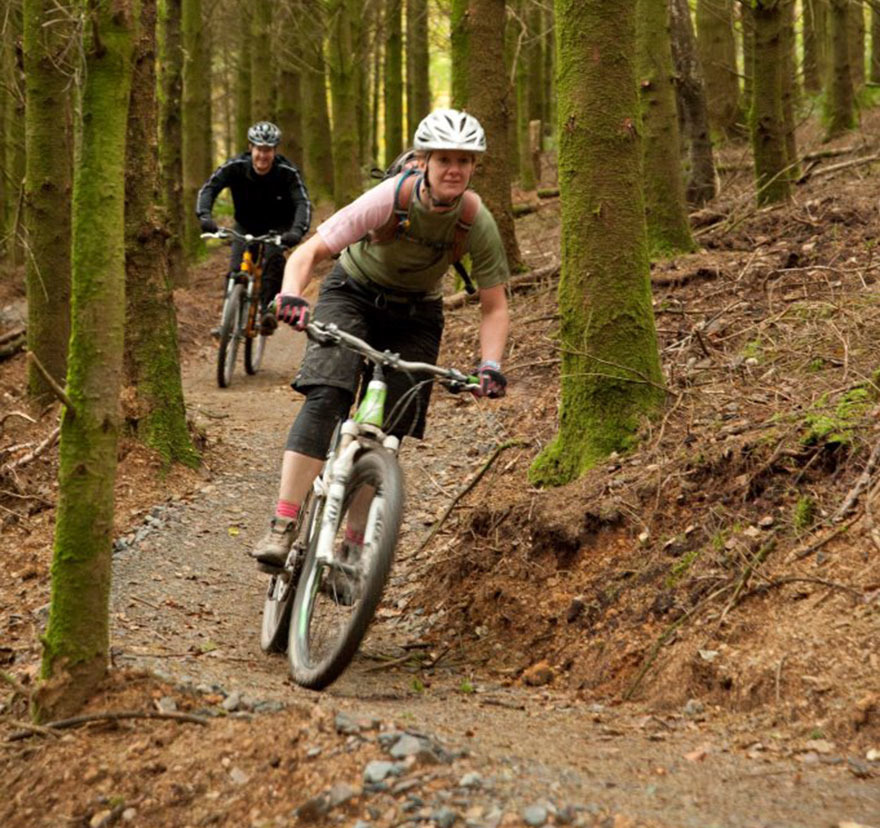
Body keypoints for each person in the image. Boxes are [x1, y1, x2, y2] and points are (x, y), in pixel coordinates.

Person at [252, 108, 510, 570]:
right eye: (445, 159)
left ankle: (352, 542)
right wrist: (290, 295)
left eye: (465, 162)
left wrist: (489, 365)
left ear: (474, 168)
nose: (455, 169)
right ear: (425, 161)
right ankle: (283, 521)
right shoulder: (389, 197)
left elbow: (495, 306)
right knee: (328, 393)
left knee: (389, 431)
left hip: (417, 313)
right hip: (352, 293)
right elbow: (311, 251)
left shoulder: (476, 220)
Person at [196, 121, 312, 334]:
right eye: (259, 149)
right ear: (251, 148)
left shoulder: (287, 172)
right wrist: (205, 217)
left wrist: (296, 231)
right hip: (245, 223)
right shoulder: (235, 166)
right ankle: (227, 320)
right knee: (235, 269)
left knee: (274, 259)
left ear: (274, 151)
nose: (262, 155)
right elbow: (209, 189)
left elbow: (302, 202)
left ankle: (267, 311)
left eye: (268, 150)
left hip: (278, 225)